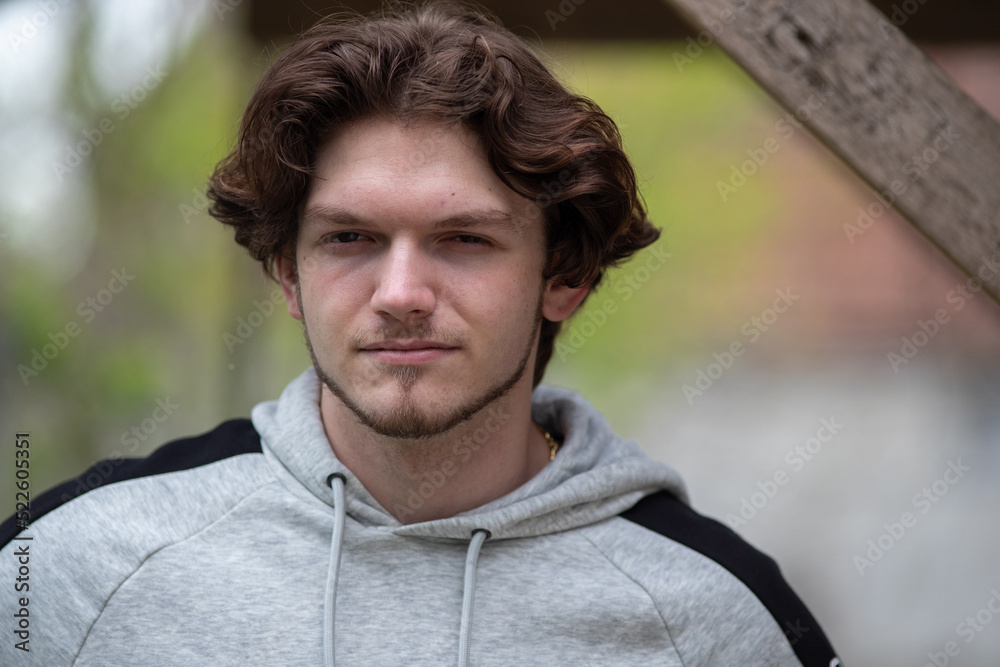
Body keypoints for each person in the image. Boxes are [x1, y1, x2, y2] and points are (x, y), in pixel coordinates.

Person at [1, 2, 841, 665]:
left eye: (465, 240)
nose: (401, 293)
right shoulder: (76, 567)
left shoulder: (716, 616)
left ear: (565, 277)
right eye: (350, 239)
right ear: (288, 275)